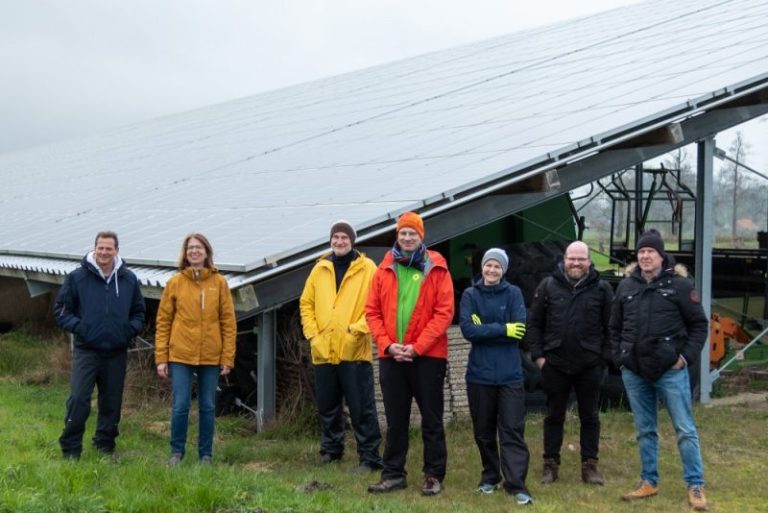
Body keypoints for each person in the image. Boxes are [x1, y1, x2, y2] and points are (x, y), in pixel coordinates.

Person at [610, 229, 709, 511]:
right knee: (644, 429)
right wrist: (620, 357)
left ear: (661, 255)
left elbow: (699, 325)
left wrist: (684, 358)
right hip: (635, 371)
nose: (644, 256)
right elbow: (614, 327)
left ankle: (695, 485)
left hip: (670, 370)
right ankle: (648, 482)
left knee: (685, 429)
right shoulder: (626, 286)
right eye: (641, 252)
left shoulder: (679, 285)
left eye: (650, 252)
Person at [365, 211, 454, 496]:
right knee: (395, 420)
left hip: (428, 356)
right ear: (397, 235)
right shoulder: (384, 269)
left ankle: (433, 475)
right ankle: (392, 474)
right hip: (392, 356)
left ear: (421, 236)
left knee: (431, 418)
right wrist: (388, 345)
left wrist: (417, 347)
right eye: (403, 232)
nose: (407, 237)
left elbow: (444, 313)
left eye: (412, 233)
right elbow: (372, 312)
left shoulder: (436, 267)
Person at [53, 231, 146, 459]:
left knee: (111, 402)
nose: (104, 252)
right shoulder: (77, 277)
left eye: (109, 248)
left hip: (116, 351)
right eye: (100, 248)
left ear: (116, 251)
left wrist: (127, 331)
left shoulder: (128, 279)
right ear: (94, 249)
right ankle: (71, 448)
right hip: (87, 350)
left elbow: (139, 313)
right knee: (79, 399)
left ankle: (104, 445)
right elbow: (62, 311)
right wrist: (82, 327)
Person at [299, 220, 383, 472]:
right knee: (328, 405)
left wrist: (356, 331)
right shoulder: (320, 268)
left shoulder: (367, 268)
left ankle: (369, 457)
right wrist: (313, 335)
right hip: (324, 350)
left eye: (344, 238)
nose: (339, 242)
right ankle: (331, 450)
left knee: (361, 407)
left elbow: (376, 305)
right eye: (335, 237)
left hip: (354, 350)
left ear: (352, 241)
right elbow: (306, 304)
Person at [527, 241, 613, 485]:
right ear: (564, 259)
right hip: (555, 364)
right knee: (554, 416)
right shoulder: (548, 286)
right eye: (572, 258)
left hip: (589, 365)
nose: (576, 263)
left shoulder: (602, 289)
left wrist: (603, 360)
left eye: (581, 259)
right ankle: (550, 466)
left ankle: (590, 467)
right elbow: (534, 324)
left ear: (589, 261)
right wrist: (539, 357)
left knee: (590, 416)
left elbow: (612, 328)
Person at [459, 248, 533, 505]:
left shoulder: (513, 294)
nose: (491, 270)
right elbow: (468, 330)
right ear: (482, 268)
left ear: (504, 270)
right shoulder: (470, 294)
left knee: (512, 429)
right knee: (484, 431)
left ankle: (516, 484)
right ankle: (490, 476)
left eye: (497, 267)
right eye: (488, 266)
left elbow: (520, 329)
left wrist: (485, 329)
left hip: (510, 374)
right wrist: (503, 328)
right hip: (480, 374)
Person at [155, 233, 236, 466]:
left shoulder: (219, 283)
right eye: (190, 248)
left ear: (206, 252)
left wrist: (227, 356)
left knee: (208, 406)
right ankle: (176, 453)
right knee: (181, 405)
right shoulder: (175, 283)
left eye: (198, 248)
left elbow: (228, 323)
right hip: (180, 354)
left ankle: (206, 455)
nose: (194, 252)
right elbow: (163, 322)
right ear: (185, 253)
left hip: (211, 354)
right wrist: (162, 357)